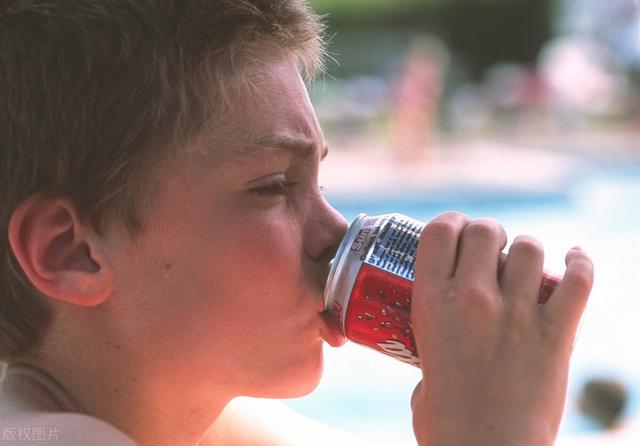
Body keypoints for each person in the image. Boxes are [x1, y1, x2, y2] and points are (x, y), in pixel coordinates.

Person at [0, 1, 594, 445]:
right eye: (273, 187)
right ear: (71, 251)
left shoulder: (183, 423)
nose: (335, 235)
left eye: (318, 183)